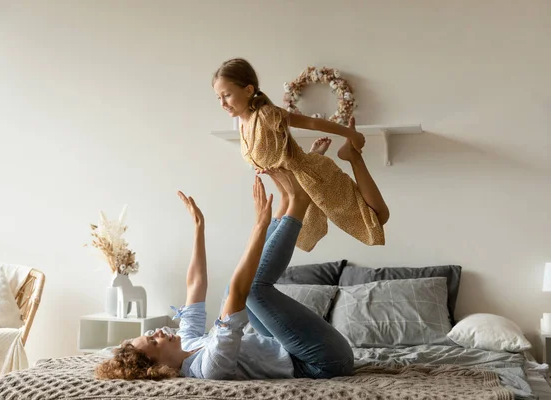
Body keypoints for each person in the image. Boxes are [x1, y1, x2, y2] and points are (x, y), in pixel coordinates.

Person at [95, 169, 355, 381]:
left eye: (151, 334)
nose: (159, 333)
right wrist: (258, 226)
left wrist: (198, 228)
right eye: (153, 342)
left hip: (288, 347)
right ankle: (299, 201)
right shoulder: (208, 368)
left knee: (236, 292)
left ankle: (286, 202)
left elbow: (195, 286)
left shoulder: (186, 343)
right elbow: (241, 291)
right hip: (320, 363)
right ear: (159, 367)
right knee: (249, 291)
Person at [212, 58, 390, 252]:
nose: (222, 103)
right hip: (294, 188)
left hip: (313, 178)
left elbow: (311, 123)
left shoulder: (266, 114)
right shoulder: (243, 126)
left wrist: (351, 134)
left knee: (379, 217)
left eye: (227, 95)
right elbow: (282, 161)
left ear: (248, 90)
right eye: (218, 97)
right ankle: (338, 155)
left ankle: (353, 155)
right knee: (283, 241)